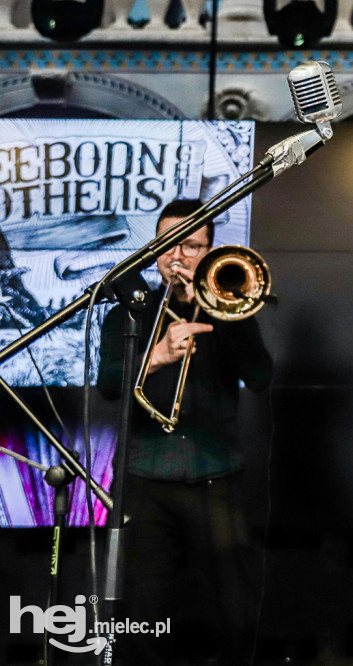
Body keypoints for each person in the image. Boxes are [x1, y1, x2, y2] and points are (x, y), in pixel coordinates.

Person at [98, 199, 272, 665]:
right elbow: (108, 387)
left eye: (192, 246)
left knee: (234, 612)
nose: (178, 256)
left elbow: (260, 378)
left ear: (211, 252)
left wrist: (224, 315)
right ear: (154, 251)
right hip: (144, 480)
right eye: (169, 245)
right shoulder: (127, 315)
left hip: (216, 477)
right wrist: (157, 355)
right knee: (144, 615)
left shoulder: (233, 309)